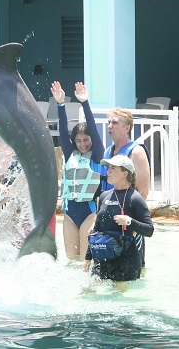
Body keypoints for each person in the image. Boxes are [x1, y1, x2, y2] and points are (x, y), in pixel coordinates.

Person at [51, 81, 105, 260]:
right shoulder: (70, 154)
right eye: (79, 140)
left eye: (86, 140)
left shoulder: (97, 154)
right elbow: (62, 129)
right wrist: (60, 104)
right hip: (69, 212)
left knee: (85, 261)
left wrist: (85, 102)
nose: (83, 144)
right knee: (71, 260)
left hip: (89, 212)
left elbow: (93, 129)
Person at [84, 154, 153, 281]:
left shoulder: (135, 198)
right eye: (108, 168)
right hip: (102, 259)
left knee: (119, 298)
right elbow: (96, 230)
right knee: (87, 293)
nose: (108, 171)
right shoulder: (104, 196)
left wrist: (129, 221)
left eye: (113, 168)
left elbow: (149, 230)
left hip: (126, 261)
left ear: (125, 173)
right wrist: (87, 258)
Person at [103, 107, 151, 200]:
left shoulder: (137, 152)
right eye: (109, 122)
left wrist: (133, 213)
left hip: (126, 211)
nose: (109, 126)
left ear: (127, 128)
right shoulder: (108, 152)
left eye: (115, 123)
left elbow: (143, 191)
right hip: (108, 208)